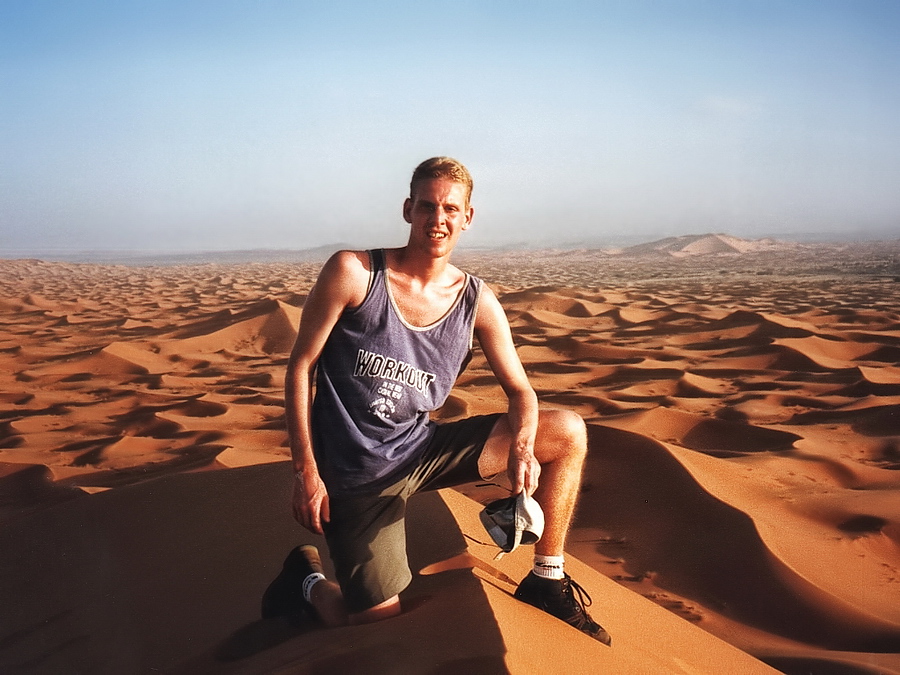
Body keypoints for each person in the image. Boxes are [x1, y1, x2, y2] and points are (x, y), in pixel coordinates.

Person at [264, 157, 610, 644]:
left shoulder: (477, 301)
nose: (438, 219)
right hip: (356, 476)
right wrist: (306, 471)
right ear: (408, 210)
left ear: (468, 217)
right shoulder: (356, 273)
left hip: (422, 451)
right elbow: (301, 367)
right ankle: (307, 583)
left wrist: (524, 447)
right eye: (427, 206)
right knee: (371, 624)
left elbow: (521, 392)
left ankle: (547, 580)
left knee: (568, 431)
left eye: (450, 208)